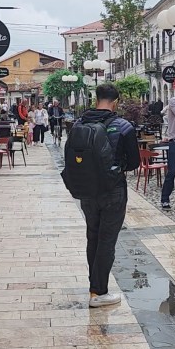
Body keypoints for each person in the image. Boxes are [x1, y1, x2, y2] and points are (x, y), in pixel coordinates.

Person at [74, 84, 140, 307]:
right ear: (116, 102)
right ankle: (99, 292)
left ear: (96, 100)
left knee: (92, 236)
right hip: (113, 190)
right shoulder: (123, 126)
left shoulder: (80, 123)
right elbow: (133, 162)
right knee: (107, 240)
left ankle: (94, 288)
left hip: (87, 190)